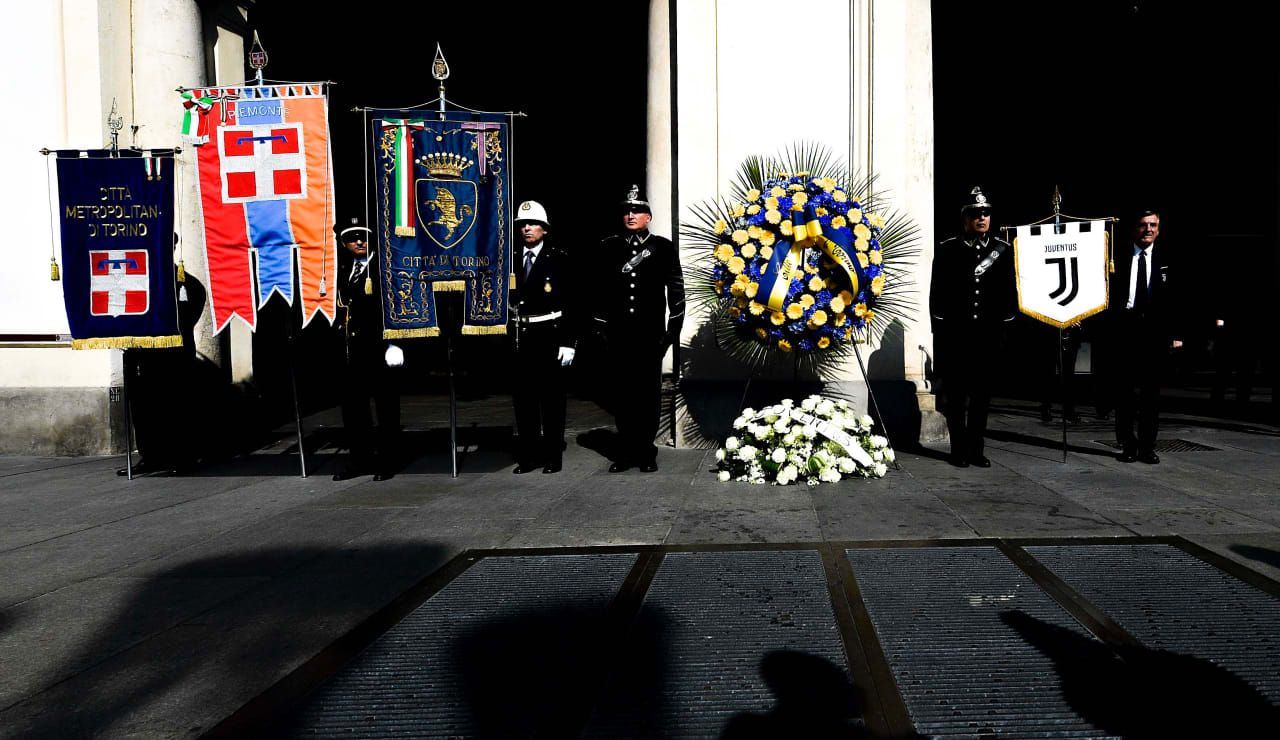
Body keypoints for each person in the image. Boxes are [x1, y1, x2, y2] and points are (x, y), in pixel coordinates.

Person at [594, 185, 684, 473]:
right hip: (619, 335)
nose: (631, 215)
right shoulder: (609, 247)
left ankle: (645, 452)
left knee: (647, 396)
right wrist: (603, 332)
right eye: (626, 212)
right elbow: (599, 292)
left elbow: (677, 293)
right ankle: (626, 451)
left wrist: (670, 334)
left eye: (637, 211)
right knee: (623, 395)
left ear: (648, 217)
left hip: (650, 336)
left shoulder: (662, 248)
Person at [929, 186, 1017, 467]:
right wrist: (942, 335)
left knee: (981, 398)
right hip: (958, 338)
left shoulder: (1002, 250)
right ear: (964, 218)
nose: (982, 218)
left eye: (986, 214)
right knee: (956, 398)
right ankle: (959, 450)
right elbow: (937, 296)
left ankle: (976, 450)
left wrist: (1002, 335)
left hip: (987, 338)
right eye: (976, 214)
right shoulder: (948, 249)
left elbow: (1009, 295)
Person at [1105, 209, 1180, 464]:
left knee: (1151, 394)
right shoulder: (1116, 257)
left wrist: (1176, 334)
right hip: (1125, 328)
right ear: (1134, 229)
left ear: (1159, 229)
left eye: (1153, 225)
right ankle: (1128, 444)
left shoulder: (1167, 258)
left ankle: (1147, 447)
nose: (1148, 229)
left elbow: (1178, 299)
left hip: (1154, 331)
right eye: (1143, 225)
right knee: (1124, 392)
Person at [332, 215, 403, 481]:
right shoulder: (342, 269)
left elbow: (400, 304)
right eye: (352, 238)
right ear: (344, 243)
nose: (359, 242)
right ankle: (359, 460)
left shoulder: (386, 266)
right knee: (353, 408)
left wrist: (396, 341)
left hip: (379, 346)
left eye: (363, 237)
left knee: (386, 407)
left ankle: (388, 460)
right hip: (352, 349)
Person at [511, 200, 576, 474]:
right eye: (523, 224)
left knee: (551, 400)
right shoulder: (511, 259)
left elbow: (572, 303)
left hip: (549, 335)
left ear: (545, 229)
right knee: (524, 400)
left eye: (533, 224)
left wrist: (569, 342)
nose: (527, 228)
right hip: (520, 336)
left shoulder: (559, 259)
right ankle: (529, 456)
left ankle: (552, 455)